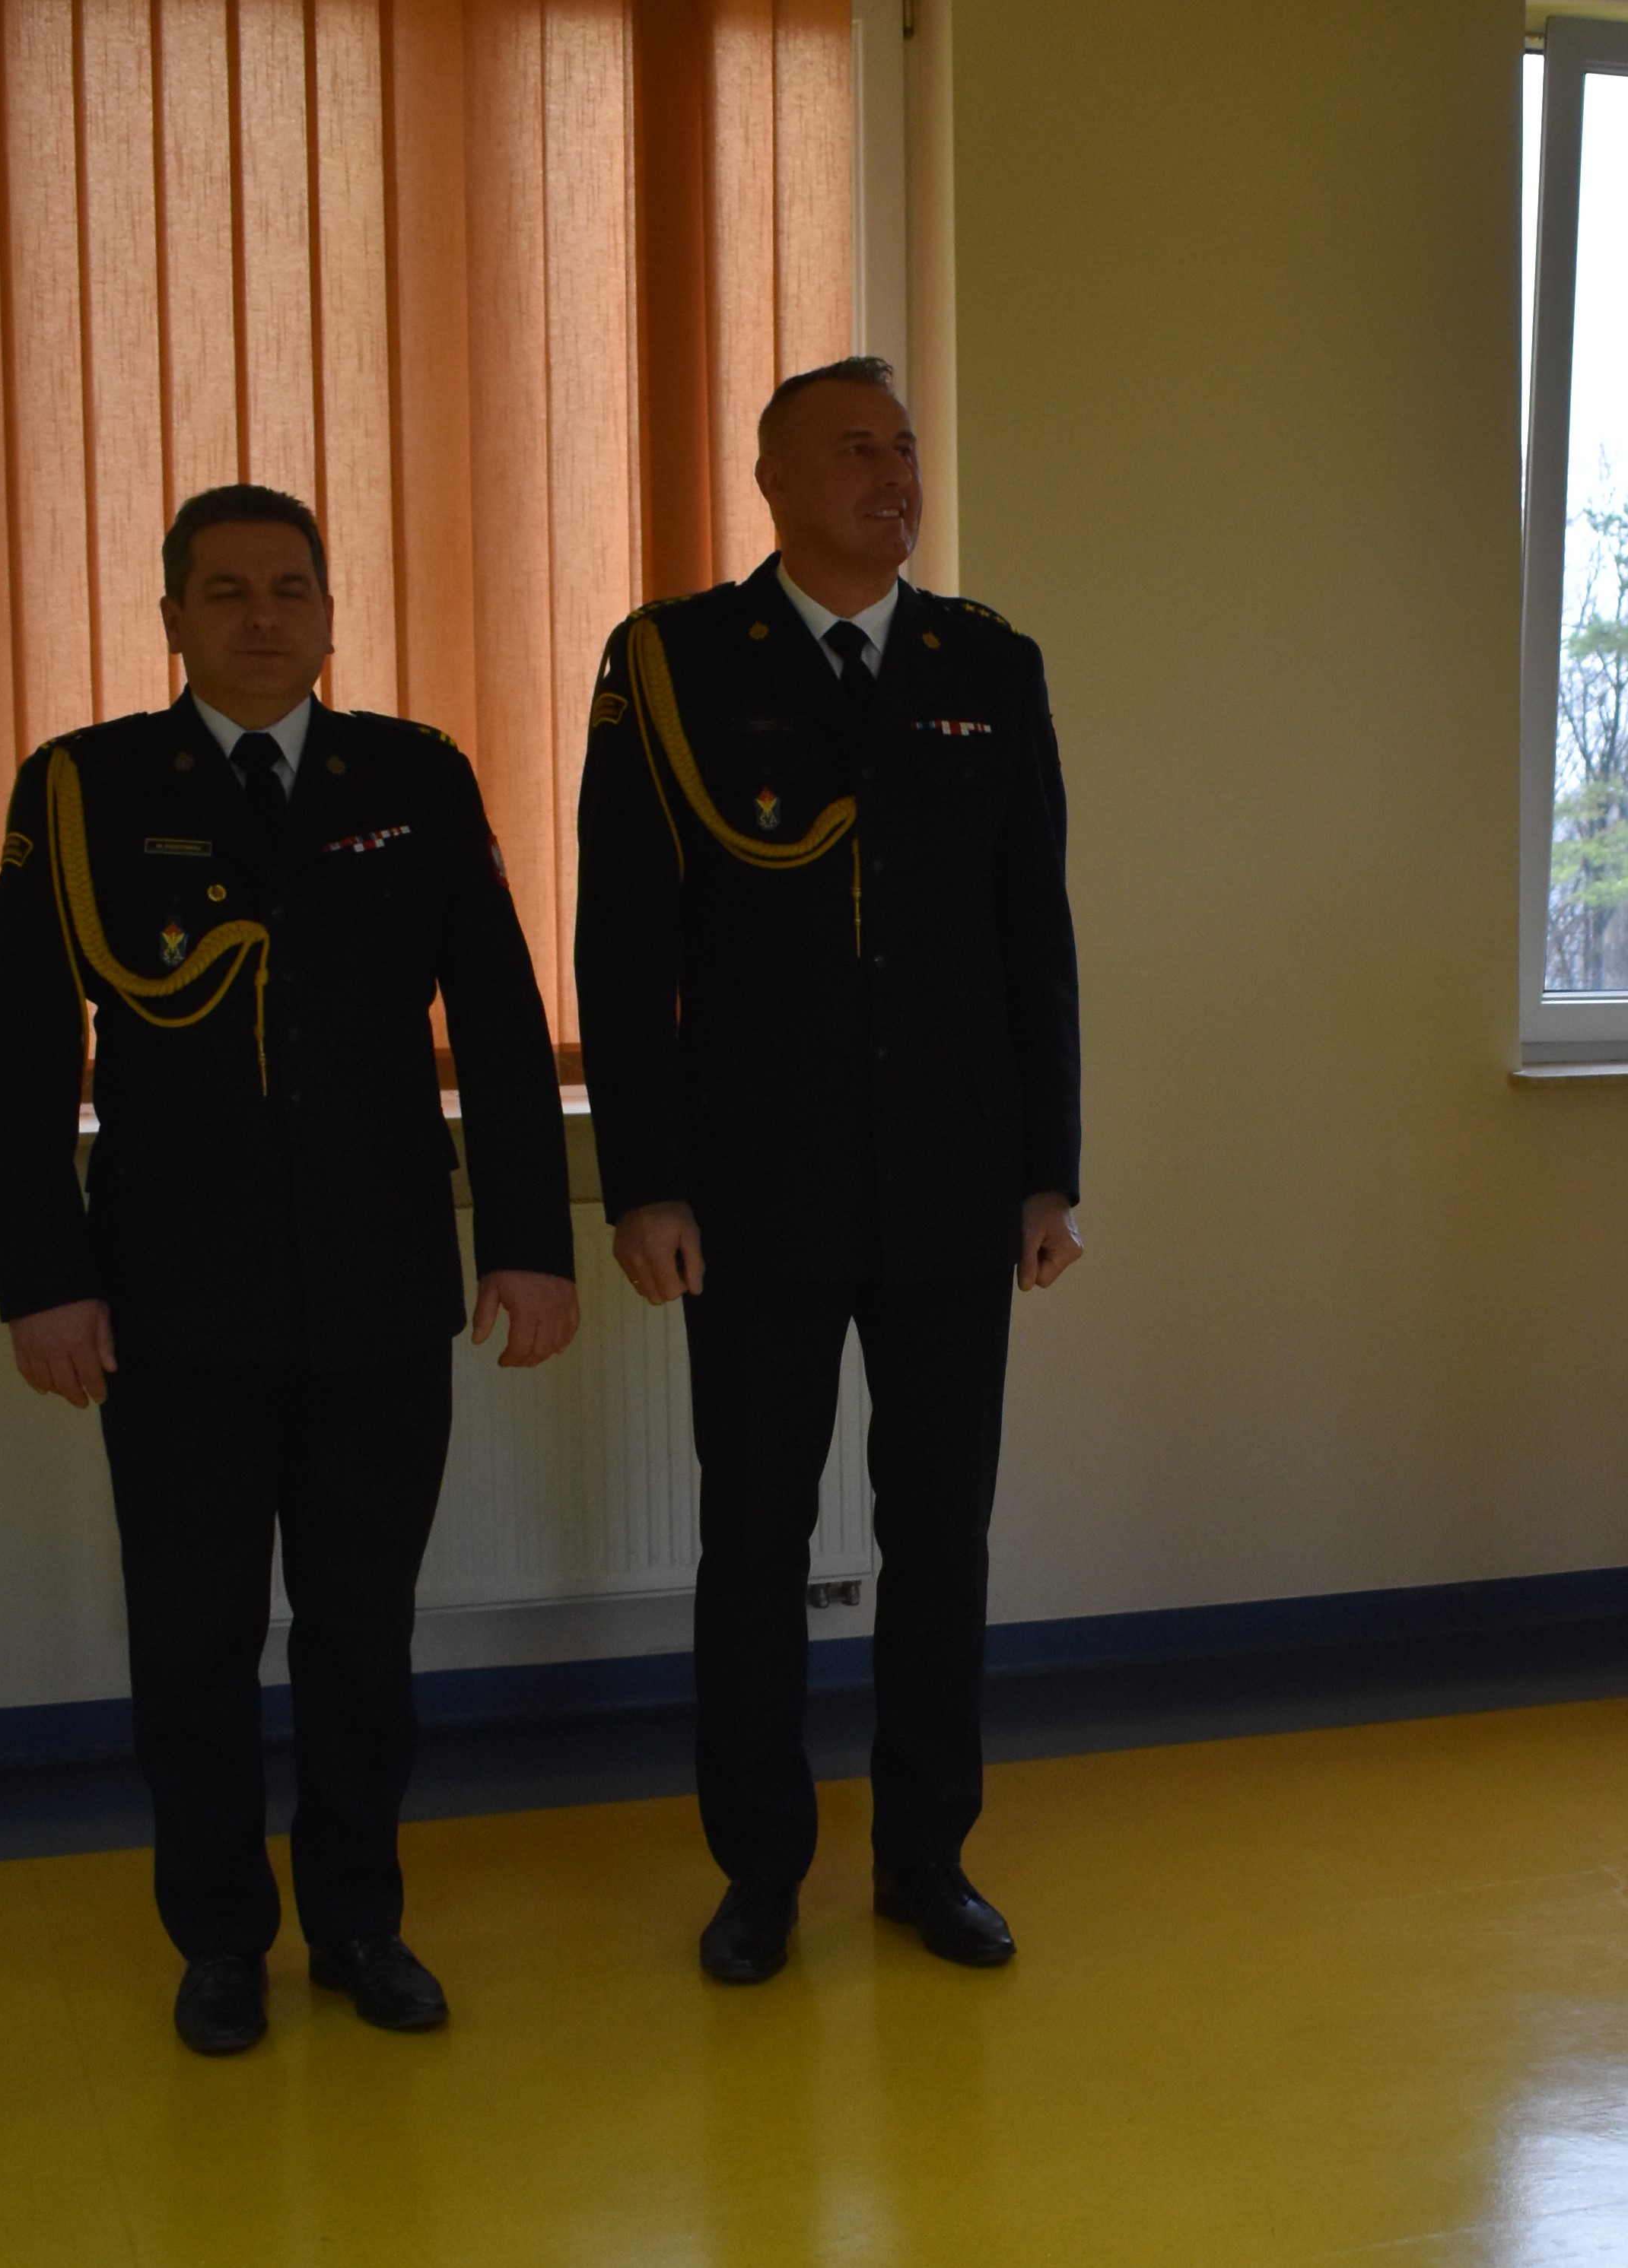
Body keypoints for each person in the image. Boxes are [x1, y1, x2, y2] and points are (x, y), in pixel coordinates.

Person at [0, 484, 579, 2056]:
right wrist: (43, 1277)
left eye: (289, 589)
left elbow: (500, 1023)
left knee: (364, 1633)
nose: (261, 617)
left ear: (329, 614)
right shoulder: (86, 786)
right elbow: (23, 1055)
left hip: (378, 1287)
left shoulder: (414, 776)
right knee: (193, 1638)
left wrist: (527, 1246)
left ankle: (361, 1924)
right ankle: (220, 1939)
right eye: (226, 591)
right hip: (172, 1296)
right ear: (171, 617)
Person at [574, 356, 1082, 1984]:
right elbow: (623, 946)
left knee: (942, 1537)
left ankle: (928, 1856)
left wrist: (1048, 1171)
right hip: (755, 1192)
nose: (892, 474)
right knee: (755, 1541)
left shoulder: (985, 664)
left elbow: (1034, 933)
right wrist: (646, 1181)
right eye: (855, 448)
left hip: (950, 1185)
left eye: (905, 448)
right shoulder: (671, 665)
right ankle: (760, 1870)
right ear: (774, 482)